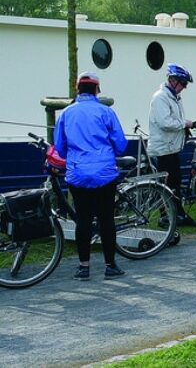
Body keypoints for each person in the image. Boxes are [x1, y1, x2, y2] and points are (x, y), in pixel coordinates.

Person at [54, 72, 128, 280]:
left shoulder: (66, 114)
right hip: (105, 173)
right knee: (106, 218)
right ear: (97, 89)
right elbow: (121, 145)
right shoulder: (106, 112)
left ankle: (83, 267)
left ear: (78, 89)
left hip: (78, 174)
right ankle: (110, 265)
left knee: (83, 219)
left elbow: (59, 148)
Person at [148, 63, 196, 227]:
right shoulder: (160, 98)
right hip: (163, 149)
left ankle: (176, 216)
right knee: (167, 186)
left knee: (174, 184)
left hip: (170, 148)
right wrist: (186, 124)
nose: (184, 87)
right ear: (173, 80)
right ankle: (167, 218)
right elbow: (165, 123)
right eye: (183, 83)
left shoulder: (173, 98)